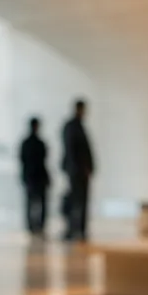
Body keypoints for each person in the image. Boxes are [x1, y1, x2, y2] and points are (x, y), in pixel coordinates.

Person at [61, 99, 94, 241]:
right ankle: (74, 229)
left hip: (79, 170)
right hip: (77, 171)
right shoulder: (72, 127)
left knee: (80, 201)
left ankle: (78, 229)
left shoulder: (78, 126)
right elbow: (72, 150)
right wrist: (76, 169)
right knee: (77, 201)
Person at [19, 116, 50, 237]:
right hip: (37, 177)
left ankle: (32, 225)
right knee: (40, 202)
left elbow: (22, 160)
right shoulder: (39, 143)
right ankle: (39, 225)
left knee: (31, 202)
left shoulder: (26, 143)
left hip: (31, 177)